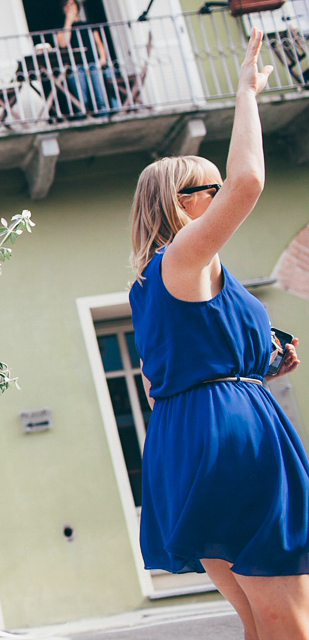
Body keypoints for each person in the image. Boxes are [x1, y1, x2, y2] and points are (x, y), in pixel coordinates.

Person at [129, 29, 309, 639]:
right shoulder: (183, 258)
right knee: (288, 615)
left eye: (216, 182)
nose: (218, 192)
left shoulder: (161, 281)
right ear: (174, 206)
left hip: (187, 434)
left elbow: (162, 376)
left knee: (258, 618)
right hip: (230, 436)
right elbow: (250, 181)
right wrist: (245, 93)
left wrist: (258, 361)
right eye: (203, 186)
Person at [53, 0, 115, 118]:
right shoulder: (61, 28)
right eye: (66, 5)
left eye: (72, 4)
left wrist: (102, 58)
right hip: (74, 66)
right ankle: (84, 119)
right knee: (81, 99)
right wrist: (68, 22)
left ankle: (103, 118)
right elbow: (63, 44)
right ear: (63, 10)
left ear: (77, 7)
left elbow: (98, 43)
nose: (70, 7)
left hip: (92, 63)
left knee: (99, 96)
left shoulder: (88, 24)